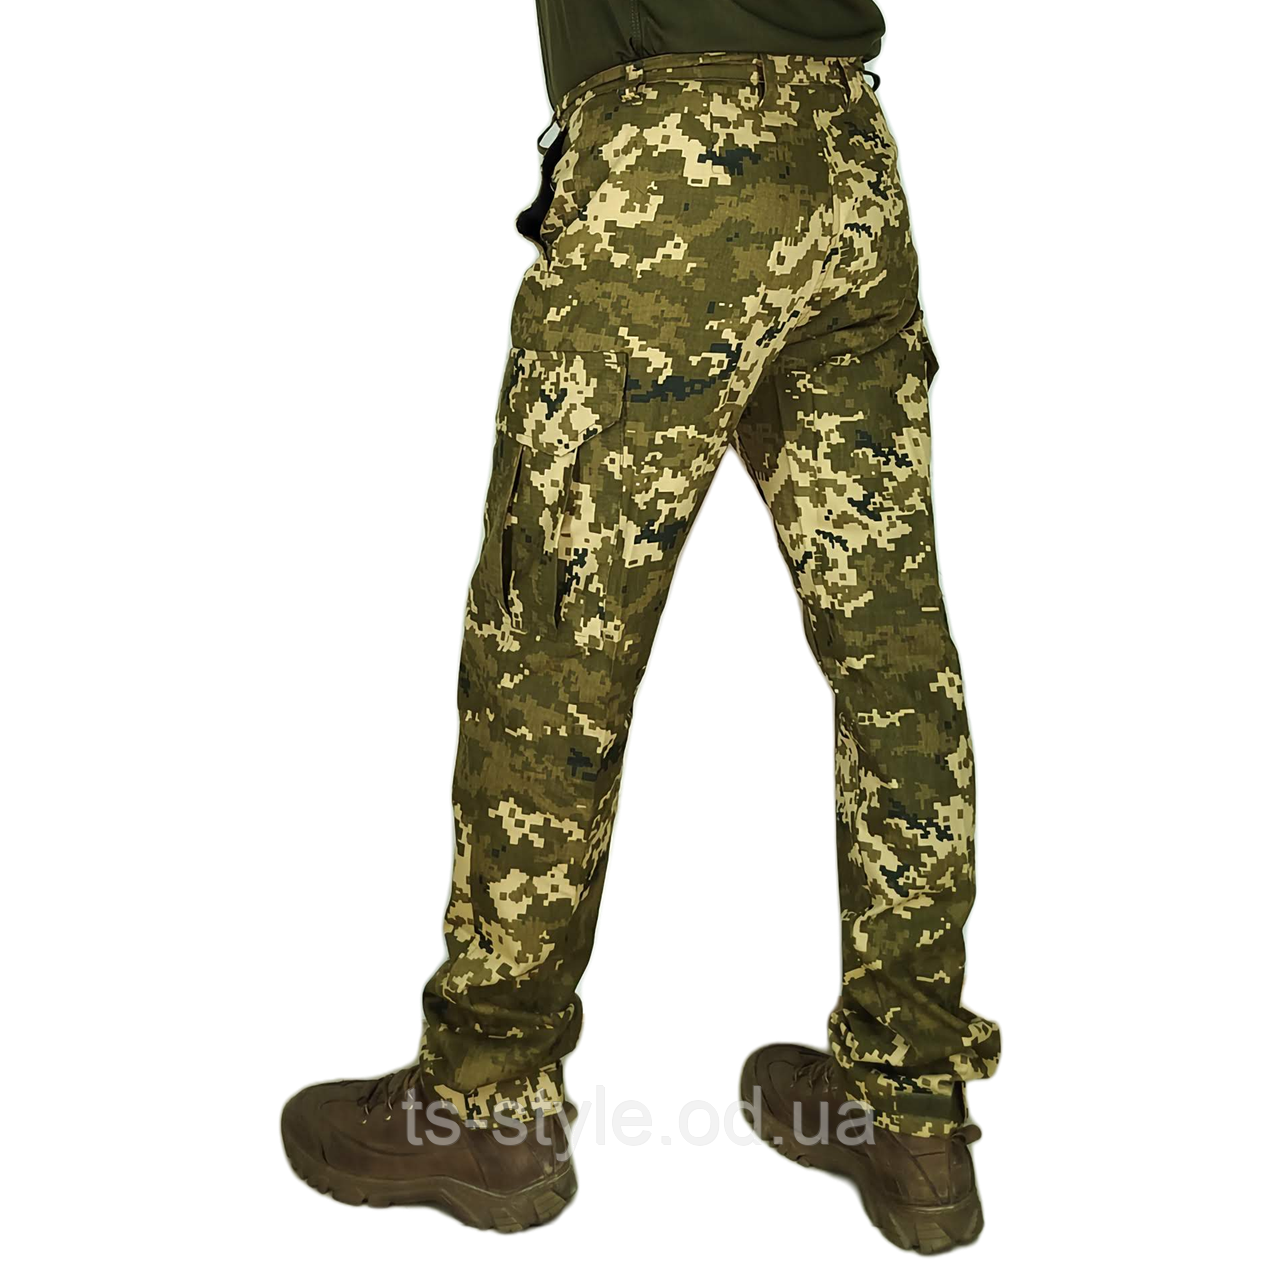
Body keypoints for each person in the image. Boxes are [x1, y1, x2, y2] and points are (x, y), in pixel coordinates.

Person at [279, 1, 1002, 1257]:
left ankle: (486, 1097)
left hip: (668, 170)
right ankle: (912, 1110)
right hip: (848, 161)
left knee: (548, 642)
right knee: (892, 660)